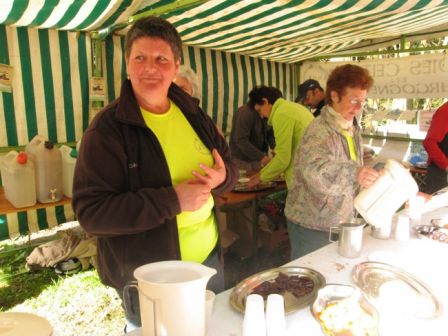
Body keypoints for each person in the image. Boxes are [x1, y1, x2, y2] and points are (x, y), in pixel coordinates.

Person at [72, 16, 237, 330]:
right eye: (140, 58)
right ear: (128, 64)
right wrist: (173, 199)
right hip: (152, 277)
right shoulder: (107, 130)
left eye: (161, 59)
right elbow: (92, 214)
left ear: (176, 66)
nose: (150, 68)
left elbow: (227, 165)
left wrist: (222, 178)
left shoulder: (192, 111)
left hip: (208, 262)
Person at [285, 64, 380, 260]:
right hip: (312, 225)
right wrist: (355, 173)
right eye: (353, 100)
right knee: (310, 281)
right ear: (334, 96)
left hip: (339, 220)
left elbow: (349, 161)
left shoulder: (350, 127)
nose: (358, 108)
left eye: (362, 101)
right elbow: (314, 172)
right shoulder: (319, 130)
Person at [248, 86, 314, 189]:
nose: (261, 116)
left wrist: (260, 178)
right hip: (312, 175)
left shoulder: (281, 114)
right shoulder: (292, 107)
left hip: (303, 180)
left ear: (265, 102)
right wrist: (262, 174)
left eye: (259, 110)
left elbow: (283, 159)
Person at [229, 102, 275, 172]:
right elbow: (241, 140)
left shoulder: (266, 112)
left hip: (257, 159)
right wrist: (261, 157)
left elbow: (269, 133)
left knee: (259, 180)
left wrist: (275, 148)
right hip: (241, 160)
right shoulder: (245, 113)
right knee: (245, 181)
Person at [422, 101, 448, 193]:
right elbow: (429, 142)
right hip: (441, 173)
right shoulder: (445, 111)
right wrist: (446, 165)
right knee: (438, 206)